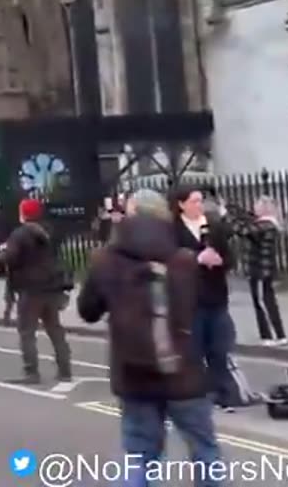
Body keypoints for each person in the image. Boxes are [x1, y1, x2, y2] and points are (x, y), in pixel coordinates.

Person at [77, 188, 223, 487]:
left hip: (134, 373)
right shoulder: (184, 260)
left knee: (140, 456)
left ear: (129, 215)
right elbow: (205, 308)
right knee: (204, 450)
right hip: (184, 373)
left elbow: (88, 311)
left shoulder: (105, 260)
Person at [171, 185, 237, 412]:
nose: (199, 206)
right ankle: (199, 394)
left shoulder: (213, 227)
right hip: (190, 299)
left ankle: (223, 394)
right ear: (181, 204)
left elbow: (230, 258)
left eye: (201, 201)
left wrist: (221, 261)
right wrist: (196, 259)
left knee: (219, 348)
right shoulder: (173, 230)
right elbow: (169, 260)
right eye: (194, 201)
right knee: (194, 350)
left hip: (217, 295)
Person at [3, 198, 72, 384]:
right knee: (55, 329)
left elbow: (11, 259)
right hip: (51, 287)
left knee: (27, 332)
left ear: (23, 214)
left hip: (30, 289)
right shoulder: (49, 231)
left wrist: (4, 252)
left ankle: (31, 372)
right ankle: (65, 370)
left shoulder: (20, 235)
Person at [243, 196, 287, 346]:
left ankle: (270, 335)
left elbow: (245, 231)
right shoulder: (268, 224)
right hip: (262, 269)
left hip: (260, 270)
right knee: (267, 301)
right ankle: (278, 334)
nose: (254, 208)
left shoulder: (266, 225)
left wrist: (226, 216)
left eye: (257, 206)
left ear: (264, 208)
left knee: (262, 302)